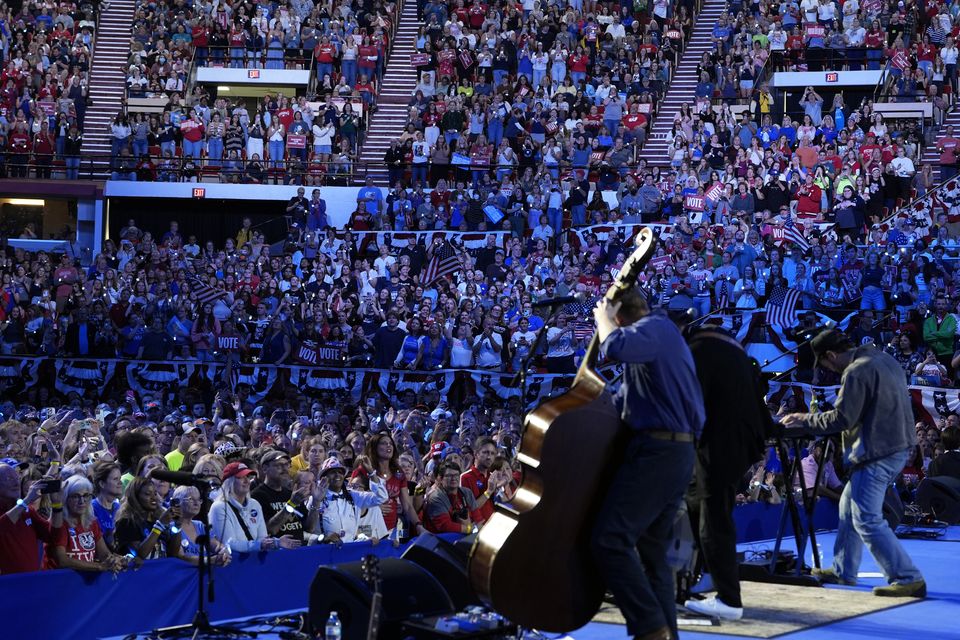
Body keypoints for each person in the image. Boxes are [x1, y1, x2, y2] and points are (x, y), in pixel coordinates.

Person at [591, 289, 705, 640]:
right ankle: (665, 632)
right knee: (653, 552)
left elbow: (615, 347)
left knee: (609, 538)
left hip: (660, 452)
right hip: (673, 452)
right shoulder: (655, 346)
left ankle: (650, 627)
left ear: (623, 320)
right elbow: (623, 402)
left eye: (617, 323)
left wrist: (602, 320)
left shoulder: (656, 327)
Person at [782, 330, 926, 597]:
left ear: (831, 355)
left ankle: (908, 577)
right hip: (896, 447)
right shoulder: (884, 359)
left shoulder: (856, 371)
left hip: (876, 452)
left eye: (825, 364)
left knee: (866, 519)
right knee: (848, 509)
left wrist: (804, 419)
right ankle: (843, 570)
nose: (829, 370)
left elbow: (842, 419)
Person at [678, 320, 769, 621]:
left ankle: (729, 600)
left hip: (720, 445)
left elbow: (690, 405)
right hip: (740, 441)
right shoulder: (728, 347)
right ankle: (710, 575)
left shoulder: (697, 351)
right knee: (696, 501)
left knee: (713, 518)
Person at [208, 461, 302, 553]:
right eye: (241, 477)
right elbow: (229, 545)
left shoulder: (254, 504)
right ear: (229, 482)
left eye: (248, 477)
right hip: (233, 565)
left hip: (256, 561)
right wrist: (261, 545)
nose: (246, 481)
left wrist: (274, 543)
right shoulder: (219, 507)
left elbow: (262, 538)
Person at [44, 475, 127, 572]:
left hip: (84, 584)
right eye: (76, 496)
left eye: (86, 496)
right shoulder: (59, 524)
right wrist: (98, 566)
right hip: (59, 583)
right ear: (65, 499)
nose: (82, 501)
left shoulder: (92, 522)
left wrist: (115, 560)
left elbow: (104, 554)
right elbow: (62, 561)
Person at [0, 463, 64, 573]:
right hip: (6, 585)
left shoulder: (27, 510)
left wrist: (57, 505)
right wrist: (26, 501)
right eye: (9, 478)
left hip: (30, 582)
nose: (16, 483)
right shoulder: (24, 506)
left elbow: (53, 537)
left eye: (17, 478)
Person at [315, 456, 388, 544]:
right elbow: (308, 530)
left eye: (340, 472)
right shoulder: (316, 498)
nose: (337, 475)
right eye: (333, 472)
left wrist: (371, 472)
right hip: (325, 552)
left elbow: (381, 497)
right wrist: (323, 538)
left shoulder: (354, 496)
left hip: (350, 552)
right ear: (324, 477)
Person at [460, 436, 512, 524]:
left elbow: (505, 504)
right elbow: (469, 511)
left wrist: (504, 484)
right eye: (485, 452)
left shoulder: (492, 477)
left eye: (492, 453)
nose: (489, 457)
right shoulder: (465, 477)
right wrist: (488, 492)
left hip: (494, 525)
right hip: (476, 529)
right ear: (476, 454)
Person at [424, 460, 482, 534]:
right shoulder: (435, 497)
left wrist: (475, 529)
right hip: (441, 540)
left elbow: (479, 519)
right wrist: (470, 529)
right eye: (449, 476)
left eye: (456, 475)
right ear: (440, 479)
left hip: (466, 538)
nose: (454, 478)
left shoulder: (467, 492)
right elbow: (445, 526)